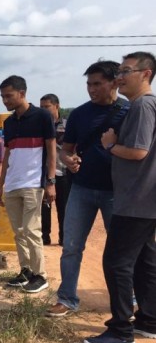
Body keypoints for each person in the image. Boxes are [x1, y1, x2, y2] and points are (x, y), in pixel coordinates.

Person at [84, 51, 156, 343]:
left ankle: (120, 330)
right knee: (145, 260)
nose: (120, 77)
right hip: (144, 199)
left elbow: (138, 151)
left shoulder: (141, 105)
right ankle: (149, 321)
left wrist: (111, 144)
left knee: (116, 262)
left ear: (145, 74)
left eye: (126, 70)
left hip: (137, 199)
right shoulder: (146, 105)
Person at [46, 61, 130, 318]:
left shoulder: (130, 111)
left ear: (115, 82)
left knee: (122, 249)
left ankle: (130, 297)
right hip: (81, 189)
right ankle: (67, 298)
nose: (91, 89)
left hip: (118, 191)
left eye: (97, 83)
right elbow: (66, 150)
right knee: (71, 245)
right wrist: (68, 161)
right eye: (88, 84)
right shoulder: (80, 114)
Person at [0, 75, 56, 293]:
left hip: (33, 183)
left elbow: (51, 149)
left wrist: (50, 181)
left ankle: (41, 275)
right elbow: (7, 155)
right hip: (12, 183)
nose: (5, 100)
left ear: (22, 93)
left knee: (31, 230)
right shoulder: (9, 123)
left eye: (8, 96)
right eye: (2, 96)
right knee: (18, 231)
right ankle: (26, 271)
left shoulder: (42, 117)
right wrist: (0, 185)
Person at [39, 94, 69, 246]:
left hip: (63, 172)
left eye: (47, 107)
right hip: (44, 172)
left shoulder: (67, 124)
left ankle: (64, 237)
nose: (43, 110)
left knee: (64, 207)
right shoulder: (39, 125)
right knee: (44, 207)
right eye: (41, 107)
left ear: (57, 106)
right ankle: (44, 237)